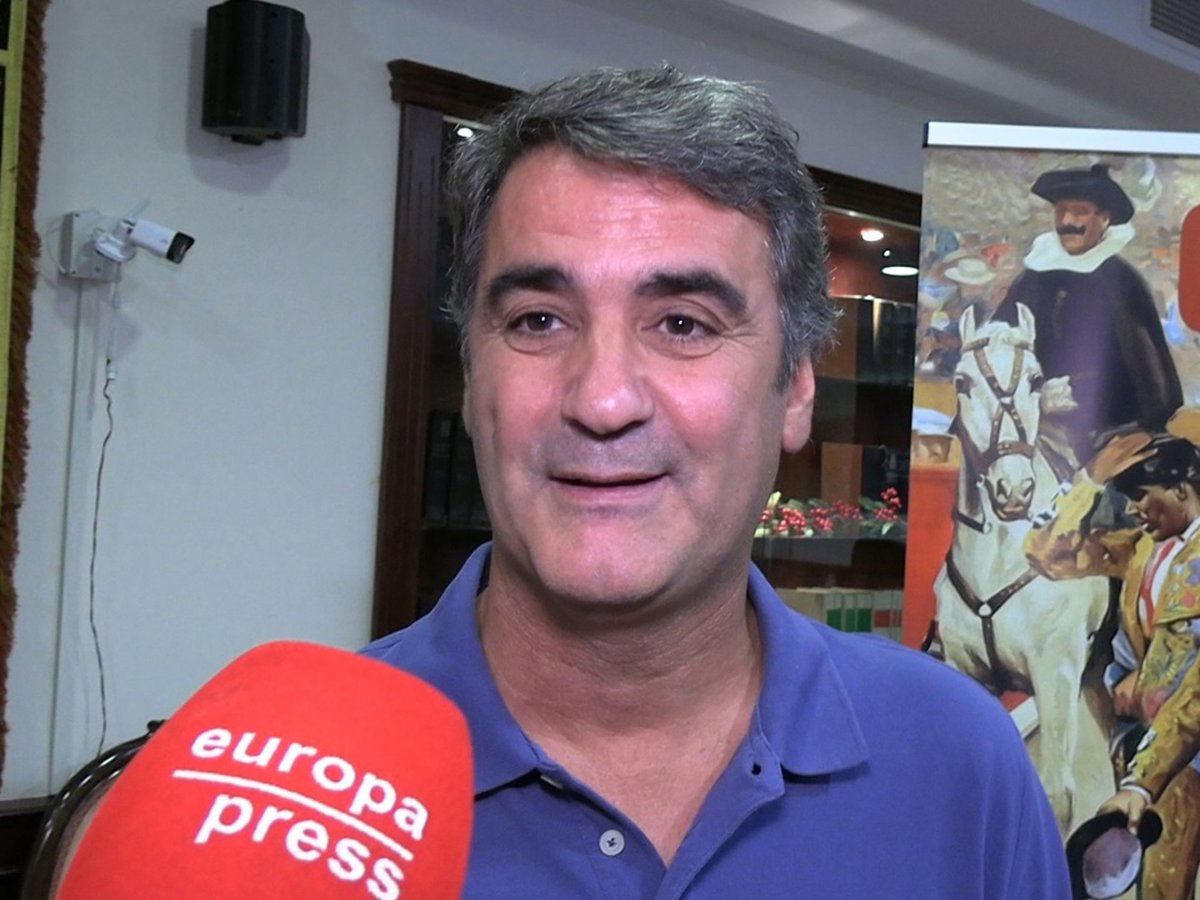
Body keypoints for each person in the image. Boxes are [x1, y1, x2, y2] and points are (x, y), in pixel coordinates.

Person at [363, 66, 1069, 897]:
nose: (603, 401)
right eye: (539, 320)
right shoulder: (299, 784)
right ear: (473, 377)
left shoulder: (959, 762)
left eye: (683, 324)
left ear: (795, 389)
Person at [1026, 431, 1200, 900]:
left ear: (1181, 488)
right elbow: (1045, 551)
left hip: (1179, 752)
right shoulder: (1142, 548)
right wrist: (1088, 481)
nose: (1135, 510)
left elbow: (1189, 688)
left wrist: (1141, 783)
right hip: (1151, 752)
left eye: (1142, 496)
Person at [993, 163, 1182, 478]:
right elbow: (996, 343)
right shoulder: (1032, 280)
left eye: (1079, 212)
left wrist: (1077, 393)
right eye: (1061, 211)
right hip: (1030, 426)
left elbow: (1156, 388)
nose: (1067, 222)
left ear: (1104, 219)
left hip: (1109, 433)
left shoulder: (1121, 282)